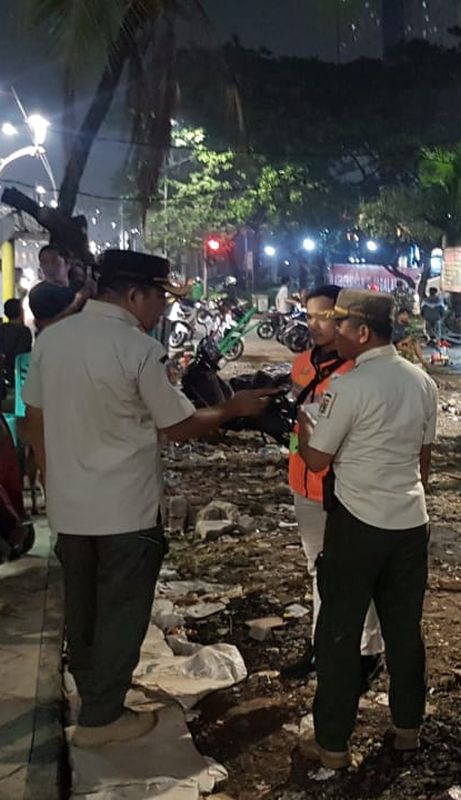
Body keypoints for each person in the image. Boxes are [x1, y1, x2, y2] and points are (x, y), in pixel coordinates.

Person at [23, 250, 274, 748]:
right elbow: (177, 426)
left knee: (84, 605)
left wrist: (54, 483)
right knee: (122, 608)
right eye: (160, 295)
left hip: (70, 506)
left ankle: (95, 692)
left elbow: (33, 421)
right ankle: (102, 717)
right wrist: (230, 409)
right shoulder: (136, 349)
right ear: (135, 294)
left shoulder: (54, 339)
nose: (162, 307)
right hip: (124, 508)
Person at [295, 289, 438, 768]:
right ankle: (407, 728)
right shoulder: (421, 382)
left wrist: (303, 426)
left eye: (339, 324)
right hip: (410, 524)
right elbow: (424, 460)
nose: (330, 332)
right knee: (404, 631)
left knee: (338, 632)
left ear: (362, 332)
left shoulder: (348, 386)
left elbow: (317, 461)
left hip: (357, 525)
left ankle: (332, 744)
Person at [283, 285, 384, 683]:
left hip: (344, 486)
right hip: (303, 482)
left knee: (357, 571)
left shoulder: (358, 372)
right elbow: (297, 421)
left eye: (326, 317)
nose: (317, 325)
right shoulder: (301, 365)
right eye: (310, 316)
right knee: (318, 570)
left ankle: (367, 651)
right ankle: (321, 648)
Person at [30, 244, 91, 331]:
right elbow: (47, 325)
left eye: (55, 262)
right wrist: (77, 302)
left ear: (68, 264)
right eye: (44, 263)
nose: (50, 267)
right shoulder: (39, 293)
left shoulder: (78, 289)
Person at [0, 298, 32, 395]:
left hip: (3, 377)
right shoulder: (25, 332)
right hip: (18, 378)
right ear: (21, 312)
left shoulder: (1, 329)